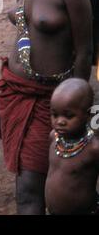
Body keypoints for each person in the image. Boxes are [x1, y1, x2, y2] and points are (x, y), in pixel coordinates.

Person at [0, 0, 93, 215]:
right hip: (17, 92)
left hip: (51, 100)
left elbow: (85, 51)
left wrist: (76, 106)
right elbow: (25, 32)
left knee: (30, 189)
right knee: (27, 184)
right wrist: (3, 104)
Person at [46, 78, 99, 215]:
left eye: (69, 116)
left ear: (88, 115)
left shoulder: (93, 149)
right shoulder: (54, 137)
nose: (60, 122)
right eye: (54, 115)